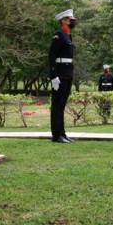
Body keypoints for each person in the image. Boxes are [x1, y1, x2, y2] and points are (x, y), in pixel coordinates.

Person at [49, 9, 76, 144]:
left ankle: (62, 133)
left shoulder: (68, 36)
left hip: (67, 74)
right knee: (57, 105)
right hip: (59, 74)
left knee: (62, 105)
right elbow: (52, 56)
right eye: (69, 19)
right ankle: (56, 135)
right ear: (63, 20)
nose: (71, 21)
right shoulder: (58, 35)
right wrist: (53, 76)